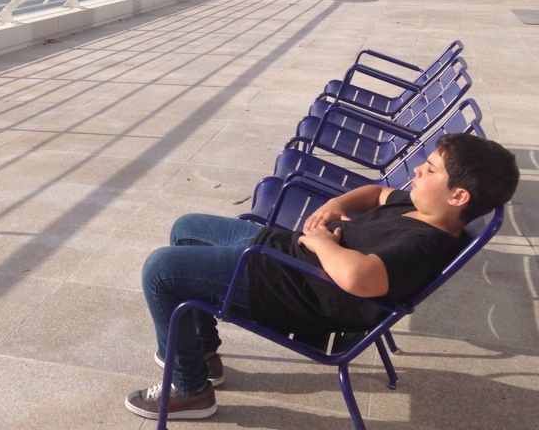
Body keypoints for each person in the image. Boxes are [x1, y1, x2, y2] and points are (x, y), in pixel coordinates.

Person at [124, 134, 519, 421]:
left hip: (296, 291)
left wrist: (320, 244)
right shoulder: (420, 205)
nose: (417, 169)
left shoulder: (423, 244)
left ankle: (189, 389)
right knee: (187, 227)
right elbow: (376, 193)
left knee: (161, 270)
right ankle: (203, 354)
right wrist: (335, 205)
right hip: (292, 258)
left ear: (458, 197)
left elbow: (359, 277)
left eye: (430, 169)